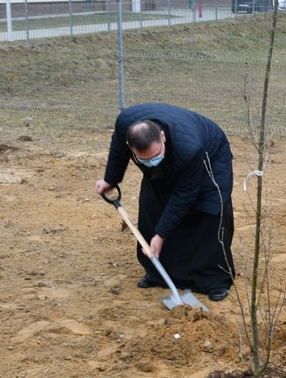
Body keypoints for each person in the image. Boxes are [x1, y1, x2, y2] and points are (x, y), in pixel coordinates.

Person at [95, 103, 235, 302]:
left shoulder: (189, 149)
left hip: (209, 158)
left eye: (155, 156)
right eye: (144, 159)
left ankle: (213, 280)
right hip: (178, 152)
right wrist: (111, 179)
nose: (152, 162)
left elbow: (184, 195)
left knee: (207, 210)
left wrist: (161, 235)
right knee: (153, 206)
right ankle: (158, 273)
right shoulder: (125, 125)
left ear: (162, 137)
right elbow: (118, 150)